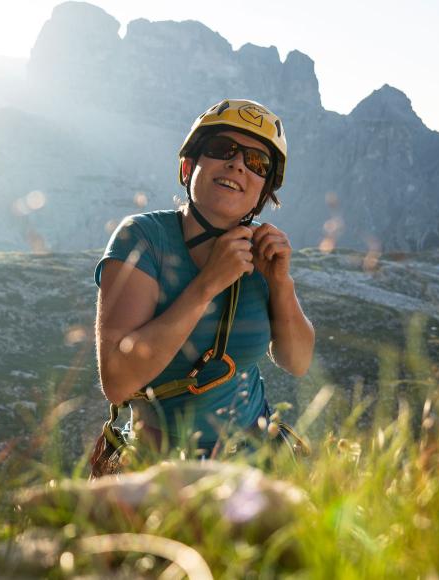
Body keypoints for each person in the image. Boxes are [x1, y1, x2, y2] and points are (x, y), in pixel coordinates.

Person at [94, 99, 315, 459]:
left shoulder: (261, 249)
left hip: (256, 459)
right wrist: (209, 282)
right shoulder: (142, 238)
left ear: (263, 191)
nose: (238, 164)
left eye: (256, 162)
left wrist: (280, 283)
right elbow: (117, 382)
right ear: (188, 165)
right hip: (161, 466)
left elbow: (298, 361)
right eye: (220, 149)